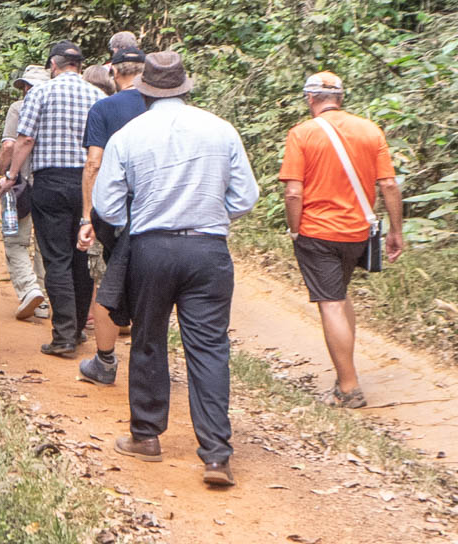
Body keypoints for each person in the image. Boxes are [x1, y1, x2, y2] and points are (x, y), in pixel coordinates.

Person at [92, 51, 258, 488]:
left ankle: (146, 436)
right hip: (208, 250)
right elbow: (245, 197)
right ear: (185, 89)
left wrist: (137, 220)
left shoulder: (128, 135)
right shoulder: (220, 129)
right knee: (209, 348)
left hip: (151, 248)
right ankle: (217, 455)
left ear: (144, 91)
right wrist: (209, 213)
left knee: (148, 339)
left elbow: (107, 205)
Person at [279, 70, 406, 408]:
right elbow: (388, 184)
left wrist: (294, 229)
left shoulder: (301, 133)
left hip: (317, 231)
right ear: (340, 97)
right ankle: (345, 375)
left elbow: (293, 192)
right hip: (357, 232)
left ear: (310, 98)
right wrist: (396, 231)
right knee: (340, 295)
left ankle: (349, 388)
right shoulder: (370, 130)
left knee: (331, 302)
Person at [0, 40, 106, 356]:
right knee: (80, 256)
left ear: (53, 66)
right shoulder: (98, 96)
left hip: (51, 182)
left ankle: (64, 336)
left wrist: (11, 176)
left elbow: (25, 139)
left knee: (57, 258)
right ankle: (79, 331)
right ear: (80, 66)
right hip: (88, 182)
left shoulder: (40, 94)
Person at [75, 45, 148, 385]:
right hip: (155, 209)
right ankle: (147, 360)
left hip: (115, 211)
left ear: (114, 73)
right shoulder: (158, 107)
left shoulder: (104, 108)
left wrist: (87, 216)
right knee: (151, 286)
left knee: (106, 282)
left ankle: (105, 362)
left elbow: (94, 163)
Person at [0, 64, 50, 320]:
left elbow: (9, 146)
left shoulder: (18, 108)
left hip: (19, 186)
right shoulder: (56, 110)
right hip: (50, 183)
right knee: (44, 243)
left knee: (15, 240)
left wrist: (3, 175)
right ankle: (43, 300)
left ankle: (30, 289)